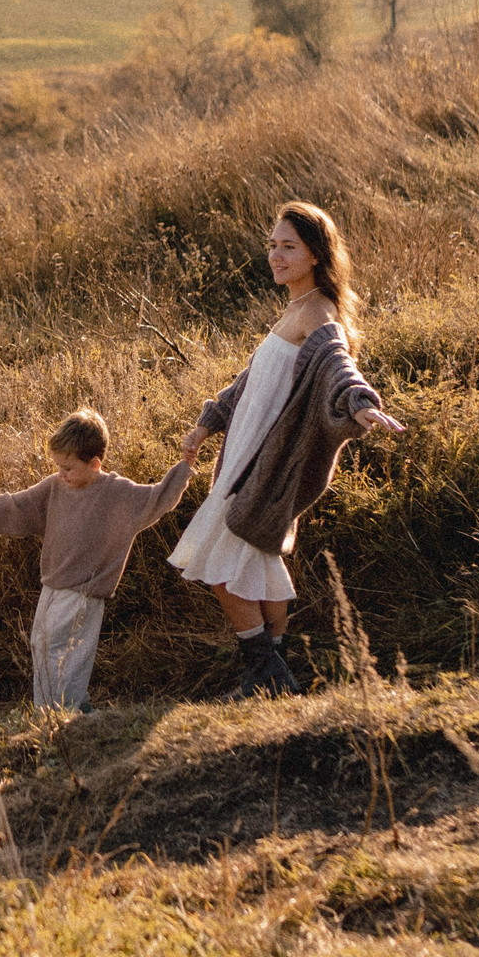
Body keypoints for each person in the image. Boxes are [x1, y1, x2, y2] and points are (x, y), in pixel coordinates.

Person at [171, 200, 405, 698]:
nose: (276, 255)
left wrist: (360, 403)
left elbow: (338, 363)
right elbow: (253, 381)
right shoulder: (295, 307)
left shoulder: (319, 312)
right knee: (252, 564)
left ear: (316, 255)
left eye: (288, 247)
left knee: (220, 565)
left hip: (265, 466)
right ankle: (272, 676)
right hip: (244, 460)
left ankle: (266, 671)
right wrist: (208, 422)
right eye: (272, 245)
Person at [0, 408, 190, 712]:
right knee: (41, 645)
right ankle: (49, 711)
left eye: (68, 468)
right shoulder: (55, 488)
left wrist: (185, 467)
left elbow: (156, 499)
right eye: (58, 465)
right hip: (53, 586)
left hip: (86, 591)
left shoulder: (116, 493)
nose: (61, 473)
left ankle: (71, 709)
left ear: (95, 464)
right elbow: (20, 504)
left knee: (71, 652)